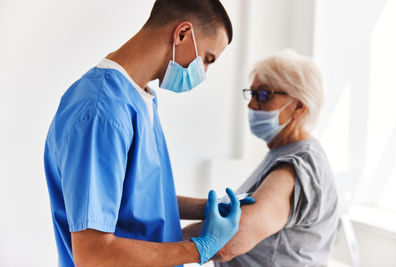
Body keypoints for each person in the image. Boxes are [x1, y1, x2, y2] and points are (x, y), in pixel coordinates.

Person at [43, 1, 253, 266]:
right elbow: (93, 253)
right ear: (182, 34)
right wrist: (202, 247)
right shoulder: (101, 113)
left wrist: (207, 207)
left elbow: (136, 198)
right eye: (208, 59)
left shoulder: (140, 98)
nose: (204, 73)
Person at [183, 50, 339, 266]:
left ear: (299, 107)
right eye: (252, 93)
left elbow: (230, 240)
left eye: (264, 95)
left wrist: (157, 240)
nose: (251, 104)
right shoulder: (285, 152)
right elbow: (230, 211)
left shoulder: (297, 166)